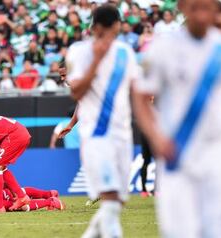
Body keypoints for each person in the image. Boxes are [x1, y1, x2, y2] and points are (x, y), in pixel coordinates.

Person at [133, 0, 221, 237]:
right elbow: (140, 97)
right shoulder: (162, 50)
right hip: (177, 154)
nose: (200, 15)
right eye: (194, 7)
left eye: (206, 8)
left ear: (216, 10)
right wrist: (156, 137)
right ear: (182, 7)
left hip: (217, 152)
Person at [66, 4, 138, 237]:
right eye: (103, 30)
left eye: (112, 29)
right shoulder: (79, 52)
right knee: (109, 200)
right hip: (96, 136)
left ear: (118, 26)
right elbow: (76, 92)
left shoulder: (125, 53)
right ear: (95, 28)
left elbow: (136, 92)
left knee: (115, 203)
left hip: (122, 136)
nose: (108, 35)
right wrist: (96, 61)